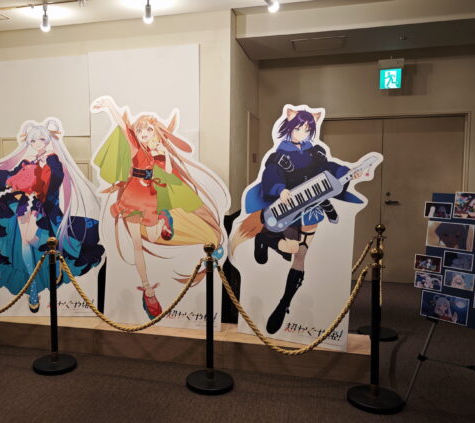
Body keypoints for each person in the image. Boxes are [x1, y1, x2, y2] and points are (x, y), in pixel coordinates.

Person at [0, 119, 104, 312]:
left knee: (35, 239)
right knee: (23, 244)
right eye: (33, 141)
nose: (37, 144)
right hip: (23, 207)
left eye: (41, 140)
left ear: (48, 140)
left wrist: (42, 173)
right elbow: (13, 177)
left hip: (44, 208)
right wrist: (5, 184)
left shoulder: (53, 161)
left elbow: (54, 183)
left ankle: (57, 264)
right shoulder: (28, 162)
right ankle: (32, 288)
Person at [230, 106, 367, 334]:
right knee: (289, 245)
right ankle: (265, 239)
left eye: (306, 130)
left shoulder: (315, 152)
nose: (302, 133)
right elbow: (271, 173)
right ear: (290, 128)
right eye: (298, 129)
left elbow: (329, 169)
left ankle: (284, 303)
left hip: (311, 207)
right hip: (286, 207)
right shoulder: (279, 155)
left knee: (301, 255)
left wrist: (348, 171)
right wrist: (280, 189)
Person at [91, 96, 227, 319]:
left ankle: (164, 218)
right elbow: (122, 125)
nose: (143, 134)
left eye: (148, 130)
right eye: (140, 130)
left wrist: (164, 153)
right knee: (137, 245)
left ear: (155, 132)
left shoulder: (158, 151)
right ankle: (148, 290)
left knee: (153, 237)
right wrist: (109, 105)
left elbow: (170, 173)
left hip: (151, 198)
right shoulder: (134, 147)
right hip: (132, 197)